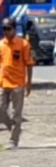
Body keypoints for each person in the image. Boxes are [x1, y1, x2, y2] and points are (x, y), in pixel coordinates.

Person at [0, 17, 34, 149]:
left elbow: (29, 64)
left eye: (8, 29)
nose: (6, 32)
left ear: (14, 29)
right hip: (3, 83)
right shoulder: (1, 45)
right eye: (4, 29)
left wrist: (28, 83)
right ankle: (13, 127)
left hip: (18, 84)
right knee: (1, 110)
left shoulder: (23, 44)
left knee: (16, 113)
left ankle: (14, 140)